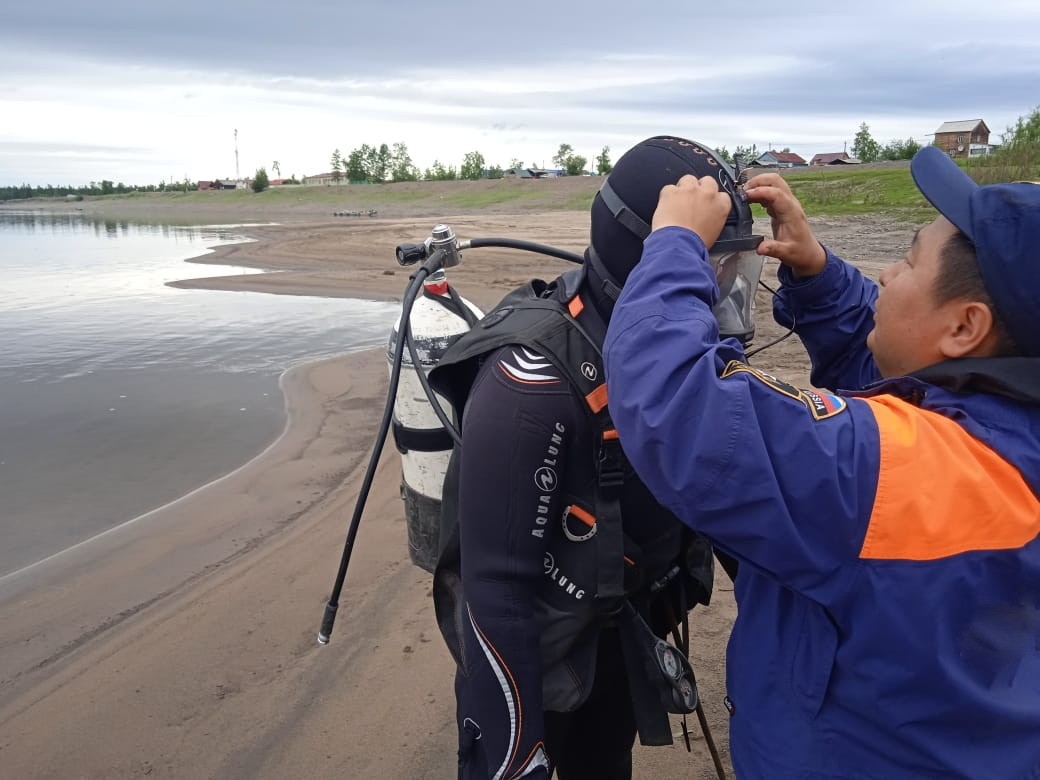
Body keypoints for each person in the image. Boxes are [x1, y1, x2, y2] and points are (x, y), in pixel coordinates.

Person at [602, 146, 1040, 778]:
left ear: (968, 326)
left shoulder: (894, 471)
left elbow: (674, 407)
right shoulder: (1001, 432)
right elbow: (918, 383)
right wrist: (819, 277)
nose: (886, 275)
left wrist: (673, 245)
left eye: (909, 260)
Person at [427, 137, 761, 779]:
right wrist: (514, 759)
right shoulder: (530, 382)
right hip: (544, 647)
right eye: (714, 262)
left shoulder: (689, 351)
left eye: (732, 268)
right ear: (646, 257)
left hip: (620, 625)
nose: (726, 287)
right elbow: (494, 588)